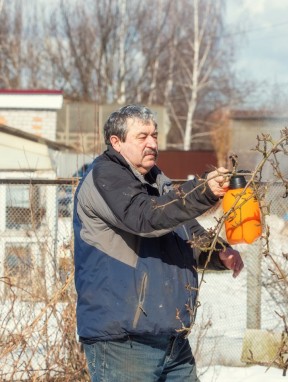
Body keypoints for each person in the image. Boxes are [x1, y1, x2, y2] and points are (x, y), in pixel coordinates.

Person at [73, 104, 244, 382]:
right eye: (142, 137)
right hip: (124, 343)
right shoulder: (106, 177)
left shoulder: (156, 181)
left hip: (171, 339)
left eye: (155, 135)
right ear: (116, 142)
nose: (152, 143)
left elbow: (185, 230)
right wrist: (202, 191)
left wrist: (218, 253)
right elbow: (146, 218)